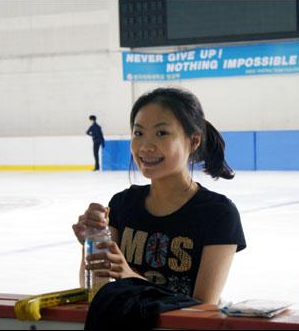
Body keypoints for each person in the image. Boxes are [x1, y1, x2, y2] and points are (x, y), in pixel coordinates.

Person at [73, 88, 246, 304]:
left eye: (161, 133)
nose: (146, 146)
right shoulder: (122, 204)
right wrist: (91, 243)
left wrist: (131, 278)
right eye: (138, 133)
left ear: (193, 142)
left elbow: (204, 307)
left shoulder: (218, 213)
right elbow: (97, 291)